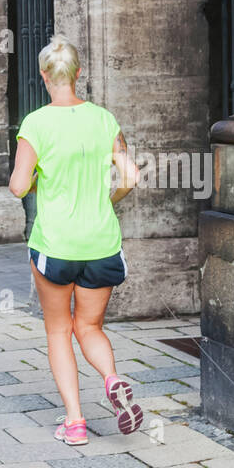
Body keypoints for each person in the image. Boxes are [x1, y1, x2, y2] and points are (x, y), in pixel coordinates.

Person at [9, 36, 143, 446]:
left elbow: (17, 187)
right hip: (101, 244)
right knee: (90, 326)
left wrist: (35, 178)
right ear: (79, 74)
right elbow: (132, 177)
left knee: (58, 330)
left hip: (56, 245)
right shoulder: (104, 120)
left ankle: (75, 422)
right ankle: (112, 379)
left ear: (44, 76)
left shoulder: (36, 124)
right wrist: (109, 198)